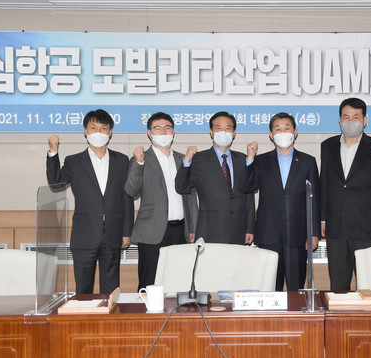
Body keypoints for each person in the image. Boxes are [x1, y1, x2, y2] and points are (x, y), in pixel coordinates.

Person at [46, 109, 133, 294]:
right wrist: (53, 151)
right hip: (84, 235)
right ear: (85, 131)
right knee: (83, 290)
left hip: (113, 234)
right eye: (93, 128)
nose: (98, 132)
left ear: (110, 132)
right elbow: (56, 184)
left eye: (103, 128)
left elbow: (126, 197)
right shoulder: (74, 161)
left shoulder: (122, 161)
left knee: (111, 290)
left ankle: (109, 314)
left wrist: (127, 231)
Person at [320, 97, 371, 291]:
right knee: (338, 286)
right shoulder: (328, 146)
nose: (350, 121)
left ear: (365, 120)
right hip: (336, 228)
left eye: (356, 117)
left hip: (366, 229)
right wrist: (323, 219)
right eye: (346, 117)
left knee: (368, 286)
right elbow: (325, 184)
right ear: (339, 120)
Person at [239, 112, 320, 291]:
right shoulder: (260, 161)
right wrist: (250, 159)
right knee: (270, 286)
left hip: (298, 234)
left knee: (296, 287)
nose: (283, 132)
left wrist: (313, 232)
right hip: (268, 233)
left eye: (287, 128)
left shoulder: (308, 161)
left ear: (295, 132)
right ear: (271, 135)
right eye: (278, 129)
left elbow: (314, 199)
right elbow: (246, 187)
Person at [124, 112, 199, 291]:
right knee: (149, 282)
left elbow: (190, 196)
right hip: (152, 232)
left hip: (180, 231)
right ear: (149, 133)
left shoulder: (183, 160)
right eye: (157, 128)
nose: (163, 132)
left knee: (179, 282)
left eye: (167, 128)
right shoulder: (140, 159)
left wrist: (193, 228)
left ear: (173, 132)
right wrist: (139, 164)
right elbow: (131, 191)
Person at [175, 111, 255, 244]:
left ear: (234, 133)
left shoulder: (243, 159)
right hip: (210, 231)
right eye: (218, 128)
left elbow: (249, 197)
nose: (223, 132)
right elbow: (182, 187)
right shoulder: (199, 159)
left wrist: (250, 228)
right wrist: (187, 160)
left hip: (238, 231)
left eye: (228, 128)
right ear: (211, 133)